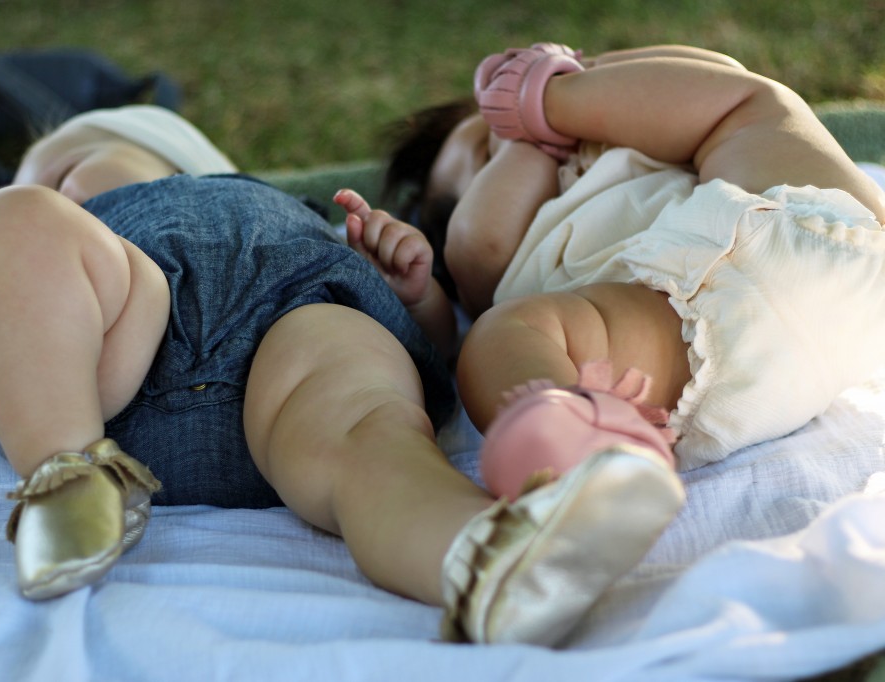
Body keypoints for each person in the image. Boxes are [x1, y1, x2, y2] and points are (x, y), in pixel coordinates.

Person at [0, 101, 682, 648]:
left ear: (182, 162)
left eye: (82, 164)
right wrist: (16, 254)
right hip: (122, 342)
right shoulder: (49, 268)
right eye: (52, 173)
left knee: (367, 426)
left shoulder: (288, 216)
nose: (65, 184)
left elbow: (434, 346)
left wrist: (416, 289)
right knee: (8, 223)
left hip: (304, 319)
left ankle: (480, 556)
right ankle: (68, 475)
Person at [333, 39, 885, 640]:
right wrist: (420, 299)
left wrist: (574, 81)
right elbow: (477, 248)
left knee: (744, 99)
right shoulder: (491, 246)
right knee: (502, 337)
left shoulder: (632, 145)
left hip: (772, 234)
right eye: (481, 145)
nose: (504, 128)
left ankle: (583, 445)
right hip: (696, 322)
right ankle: (588, 454)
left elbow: (709, 76)